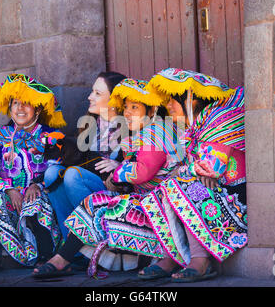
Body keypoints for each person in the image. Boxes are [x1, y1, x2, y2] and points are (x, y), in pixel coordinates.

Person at [32, 78, 184, 279]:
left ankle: (64, 258)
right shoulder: (142, 133)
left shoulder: (156, 132)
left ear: (151, 110)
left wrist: (118, 172)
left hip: (158, 209)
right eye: (126, 107)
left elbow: (143, 172)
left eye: (135, 107)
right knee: (91, 199)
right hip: (145, 201)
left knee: (97, 202)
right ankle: (66, 257)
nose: (127, 113)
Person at [137, 68, 246, 282]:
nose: (168, 106)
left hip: (236, 200)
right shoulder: (196, 128)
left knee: (181, 185)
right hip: (216, 193)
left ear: (190, 99)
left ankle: (200, 260)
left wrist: (191, 171)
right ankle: (173, 256)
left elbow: (210, 168)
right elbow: (198, 170)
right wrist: (191, 171)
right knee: (163, 191)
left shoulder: (219, 119)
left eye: (172, 101)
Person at [0, 74, 67, 273]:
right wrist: (8, 190)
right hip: (10, 197)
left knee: (36, 201)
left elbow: (58, 169)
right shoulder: (0, 135)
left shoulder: (50, 136)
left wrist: (37, 185)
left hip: (40, 194)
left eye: (26, 104)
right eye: (16, 103)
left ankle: (46, 255)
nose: (19, 108)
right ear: (10, 107)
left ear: (37, 108)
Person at [44, 71, 127, 240]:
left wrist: (120, 167)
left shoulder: (130, 126)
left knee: (73, 175)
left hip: (114, 190)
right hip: (87, 184)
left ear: (114, 100)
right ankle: (73, 248)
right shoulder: (89, 127)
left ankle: (94, 238)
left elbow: (141, 162)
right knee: (52, 174)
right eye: (92, 91)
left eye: (97, 93)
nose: (90, 97)